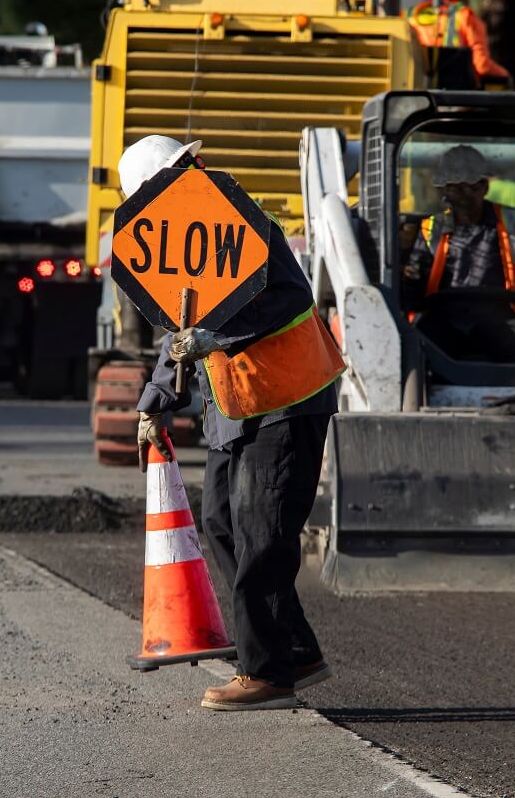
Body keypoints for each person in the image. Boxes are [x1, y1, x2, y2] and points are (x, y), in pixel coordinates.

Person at [119, 135, 345, 711]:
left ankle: (267, 673)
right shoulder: (179, 236)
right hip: (236, 402)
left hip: (286, 394)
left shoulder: (241, 221)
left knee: (260, 530)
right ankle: (290, 646)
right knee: (221, 521)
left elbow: (289, 299)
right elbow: (182, 327)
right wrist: (154, 401)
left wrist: (216, 337)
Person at [402, 144, 515, 362]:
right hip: (446, 317)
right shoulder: (430, 228)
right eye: (456, 188)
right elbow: (415, 280)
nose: (465, 195)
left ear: (484, 187)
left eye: (471, 187)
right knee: (419, 345)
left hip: (500, 316)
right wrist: (406, 273)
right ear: (444, 190)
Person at [405, 0, 511, 86]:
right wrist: (506, 75)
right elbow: (482, 65)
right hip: (453, 97)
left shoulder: (408, 16)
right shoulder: (465, 16)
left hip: (413, 96)